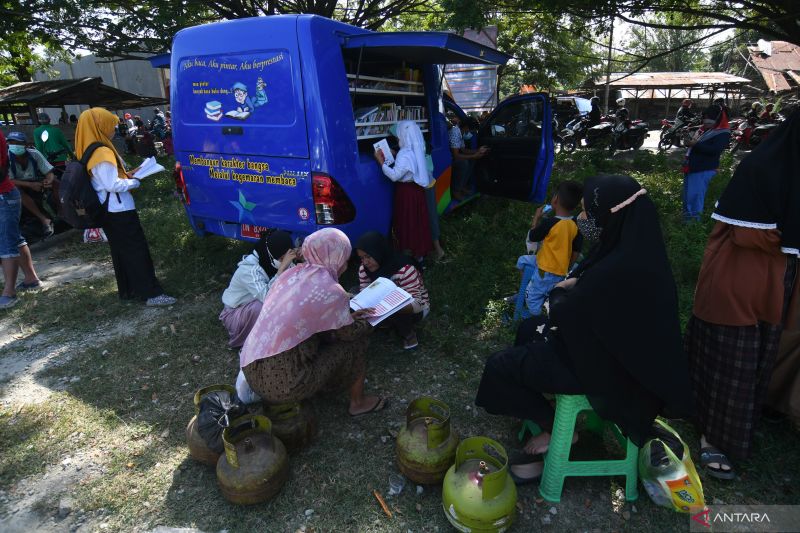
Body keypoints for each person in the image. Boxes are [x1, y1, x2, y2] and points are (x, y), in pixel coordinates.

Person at [475, 174, 693, 483]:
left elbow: (568, 312)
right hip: (611, 358)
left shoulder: (619, 267)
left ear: (610, 215)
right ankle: (540, 411)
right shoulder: (635, 251)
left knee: (497, 367)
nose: (583, 218)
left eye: (589, 213)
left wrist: (562, 292)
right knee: (527, 330)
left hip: (606, 373)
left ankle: (557, 429)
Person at [685, 110, 799, 480]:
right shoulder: (763, 168)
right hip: (738, 281)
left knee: (761, 353)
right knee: (731, 359)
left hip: (774, 281)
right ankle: (715, 438)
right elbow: (746, 233)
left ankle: (744, 422)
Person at [241, 228, 386, 417]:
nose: (345, 263)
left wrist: (347, 317)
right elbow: (348, 333)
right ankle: (357, 403)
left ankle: (317, 382)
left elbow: (310, 321)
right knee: (356, 342)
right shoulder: (331, 291)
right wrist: (372, 320)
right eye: (344, 256)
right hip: (284, 386)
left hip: (252, 370)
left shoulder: (290, 276)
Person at [75, 107, 176, 306]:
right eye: (110, 124)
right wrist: (135, 181)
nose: (114, 128)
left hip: (110, 210)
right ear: (100, 126)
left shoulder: (88, 149)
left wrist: (128, 174)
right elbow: (112, 184)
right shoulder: (102, 152)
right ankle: (152, 294)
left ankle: (130, 290)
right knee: (136, 251)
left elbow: (107, 179)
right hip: (118, 210)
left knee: (122, 252)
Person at [219, 230, 296, 348]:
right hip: (235, 313)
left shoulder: (270, 262)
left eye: (285, 258)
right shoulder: (250, 270)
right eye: (281, 259)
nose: (284, 262)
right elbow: (267, 297)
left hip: (253, 305)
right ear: (271, 255)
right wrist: (281, 270)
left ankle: (272, 332)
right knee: (260, 307)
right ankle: (251, 341)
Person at [517, 180, 583, 316]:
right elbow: (576, 250)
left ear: (555, 199)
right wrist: (568, 267)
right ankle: (528, 287)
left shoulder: (550, 223)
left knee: (532, 300)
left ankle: (537, 317)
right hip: (557, 267)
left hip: (545, 270)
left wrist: (536, 218)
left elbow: (533, 236)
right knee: (522, 261)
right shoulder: (576, 224)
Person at [356, 231, 430, 350]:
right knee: (353, 295)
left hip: (414, 308)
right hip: (381, 305)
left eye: (368, 256)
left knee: (396, 311)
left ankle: (408, 334)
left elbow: (418, 303)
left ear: (379, 252)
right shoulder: (364, 269)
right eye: (362, 258)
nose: (365, 262)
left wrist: (392, 307)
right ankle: (384, 323)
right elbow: (364, 290)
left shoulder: (405, 269)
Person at [375, 120, 433, 260]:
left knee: (407, 222)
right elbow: (409, 163)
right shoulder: (417, 149)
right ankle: (420, 253)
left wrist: (381, 162)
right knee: (417, 222)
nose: (397, 136)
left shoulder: (404, 154)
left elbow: (395, 176)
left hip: (406, 192)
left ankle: (409, 255)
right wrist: (395, 153)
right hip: (416, 191)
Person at [0, 131, 42, 309]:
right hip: (6, 194)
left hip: (4, 195)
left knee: (6, 241)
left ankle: (9, 293)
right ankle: (31, 279)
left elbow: (2, 170)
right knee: (14, 237)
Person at [681, 105, 730, 222]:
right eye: (705, 117)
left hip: (703, 169)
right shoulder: (707, 130)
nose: (705, 121)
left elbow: (715, 150)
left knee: (695, 198)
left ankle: (693, 225)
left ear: (717, 119)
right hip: (693, 168)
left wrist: (695, 144)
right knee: (688, 197)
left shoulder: (723, 133)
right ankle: (687, 222)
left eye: (709, 118)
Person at [6, 131, 58, 237]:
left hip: (35, 181)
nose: (14, 145)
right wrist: (30, 185)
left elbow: (49, 172)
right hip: (19, 184)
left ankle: (64, 214)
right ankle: (44, 220)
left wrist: (49, 180)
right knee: (16, 190)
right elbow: (8, 180)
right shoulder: (6, 158)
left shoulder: (34, 154)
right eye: (11, 143)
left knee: (57, 183)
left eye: (18, 143)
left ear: (26, 145)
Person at [448, 115, 488, 200]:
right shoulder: (455, 132)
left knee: (472, 160)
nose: (472, 133)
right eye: (472, 131)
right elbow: (456, 155)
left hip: (454, 157)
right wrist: (474, 155)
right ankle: (456, 190)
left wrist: (478, 151)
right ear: (466, 127)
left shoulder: (461, 133)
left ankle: (461, 186)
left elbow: (463, 150)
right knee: (463, 163)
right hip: (448, 159)